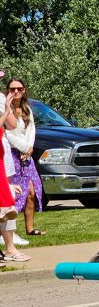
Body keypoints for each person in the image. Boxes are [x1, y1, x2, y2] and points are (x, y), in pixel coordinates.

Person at [5, 78, 44, 237]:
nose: (16, 92)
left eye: (19, 88)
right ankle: (8, 232)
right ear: (7, 90)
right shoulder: (4, 109)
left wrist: (29, 148)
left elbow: (32, 130)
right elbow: (6, 133)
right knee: (14, 194)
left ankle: (30, 229)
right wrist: (23, 147)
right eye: (12, 89)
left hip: (26, 156)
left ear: (24, 90)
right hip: (12, 154)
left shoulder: (27, 108)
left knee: (32, 192)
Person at [0, 88, 28, 262]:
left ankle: (10, 246)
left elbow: (13, 125)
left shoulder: (1, 97)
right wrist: (7, 108)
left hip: (2, 153)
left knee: (6, 198)